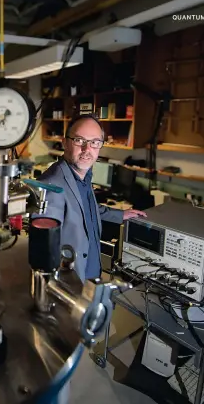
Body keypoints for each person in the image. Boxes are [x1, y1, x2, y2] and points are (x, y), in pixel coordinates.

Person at [35, 115, 146, 282]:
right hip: (72, 281)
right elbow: (44, 249)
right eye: (79, 140)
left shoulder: (82, 176)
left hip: (91, 274)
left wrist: (120, 215)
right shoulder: (51, 185)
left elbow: (84, 208)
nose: (87, 149)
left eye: (95, 142)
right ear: (65, 143)